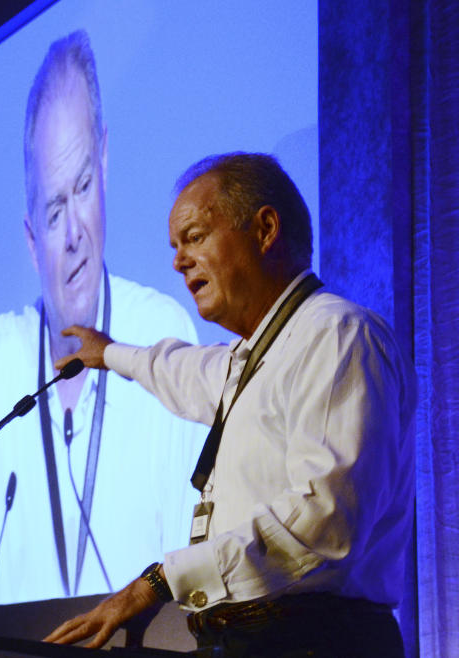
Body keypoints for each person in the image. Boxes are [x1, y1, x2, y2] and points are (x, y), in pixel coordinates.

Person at [45, 152, 416, 656]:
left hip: (318, 640)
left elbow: (323, 521)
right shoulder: (250, 359)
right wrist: (106, 353)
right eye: (175, 247)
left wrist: (160, 582)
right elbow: (174, 369)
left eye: (194, 237)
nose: (178, 261)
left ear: (265, 229)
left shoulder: (336, 335)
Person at [0, 30, 204, 610]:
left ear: (105, 163)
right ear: (32, 239)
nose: (75, 234)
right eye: (54, 211)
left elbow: (198, 555)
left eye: (83, 187)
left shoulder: (163, 332)